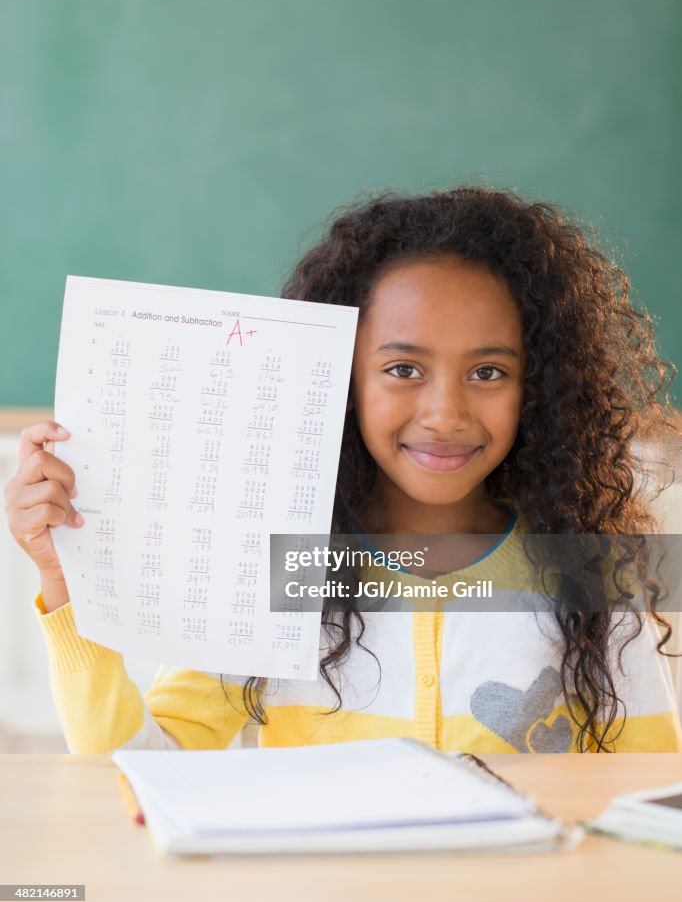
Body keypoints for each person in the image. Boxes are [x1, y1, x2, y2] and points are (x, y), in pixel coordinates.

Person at [5, 186, 682, 754]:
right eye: (402, 369)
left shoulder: (593, 575)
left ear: (537, 386)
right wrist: (65, 586)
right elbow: (141, 774)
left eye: (487, 371)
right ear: (339, 381)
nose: (445, 414)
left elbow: (642, 806)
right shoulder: (281, 573)